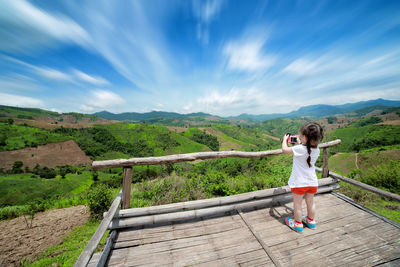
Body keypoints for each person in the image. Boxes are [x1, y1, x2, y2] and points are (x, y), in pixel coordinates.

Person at [282, 121, 324, 233]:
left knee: (297, 204)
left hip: (299, 183)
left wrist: (284, 140)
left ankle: (298, 224)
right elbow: (306, 150)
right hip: (312, 182)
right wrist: (301, 143)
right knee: (311, 202)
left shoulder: (299, 149)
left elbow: (284, 150)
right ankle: (310, 221)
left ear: (305, 137)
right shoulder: (317, 150)